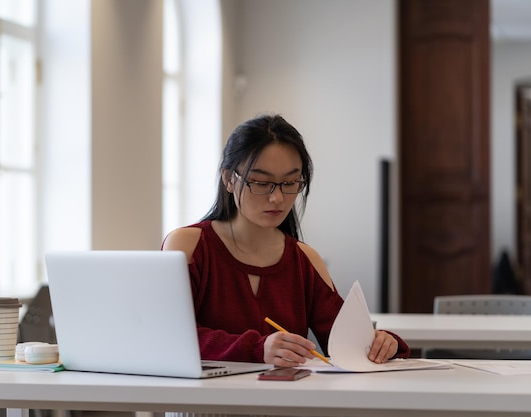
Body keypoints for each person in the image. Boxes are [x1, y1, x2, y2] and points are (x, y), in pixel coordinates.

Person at [162, 114, 409, 368]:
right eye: (261, 182)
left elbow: (347, 344)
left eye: (290, 183)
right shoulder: (189, 246)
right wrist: (257, 349)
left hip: (284, 403)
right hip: (203, 403)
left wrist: (383, 344)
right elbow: (169, 335)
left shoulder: (304, 259)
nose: (278, 198)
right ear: (228, 179)